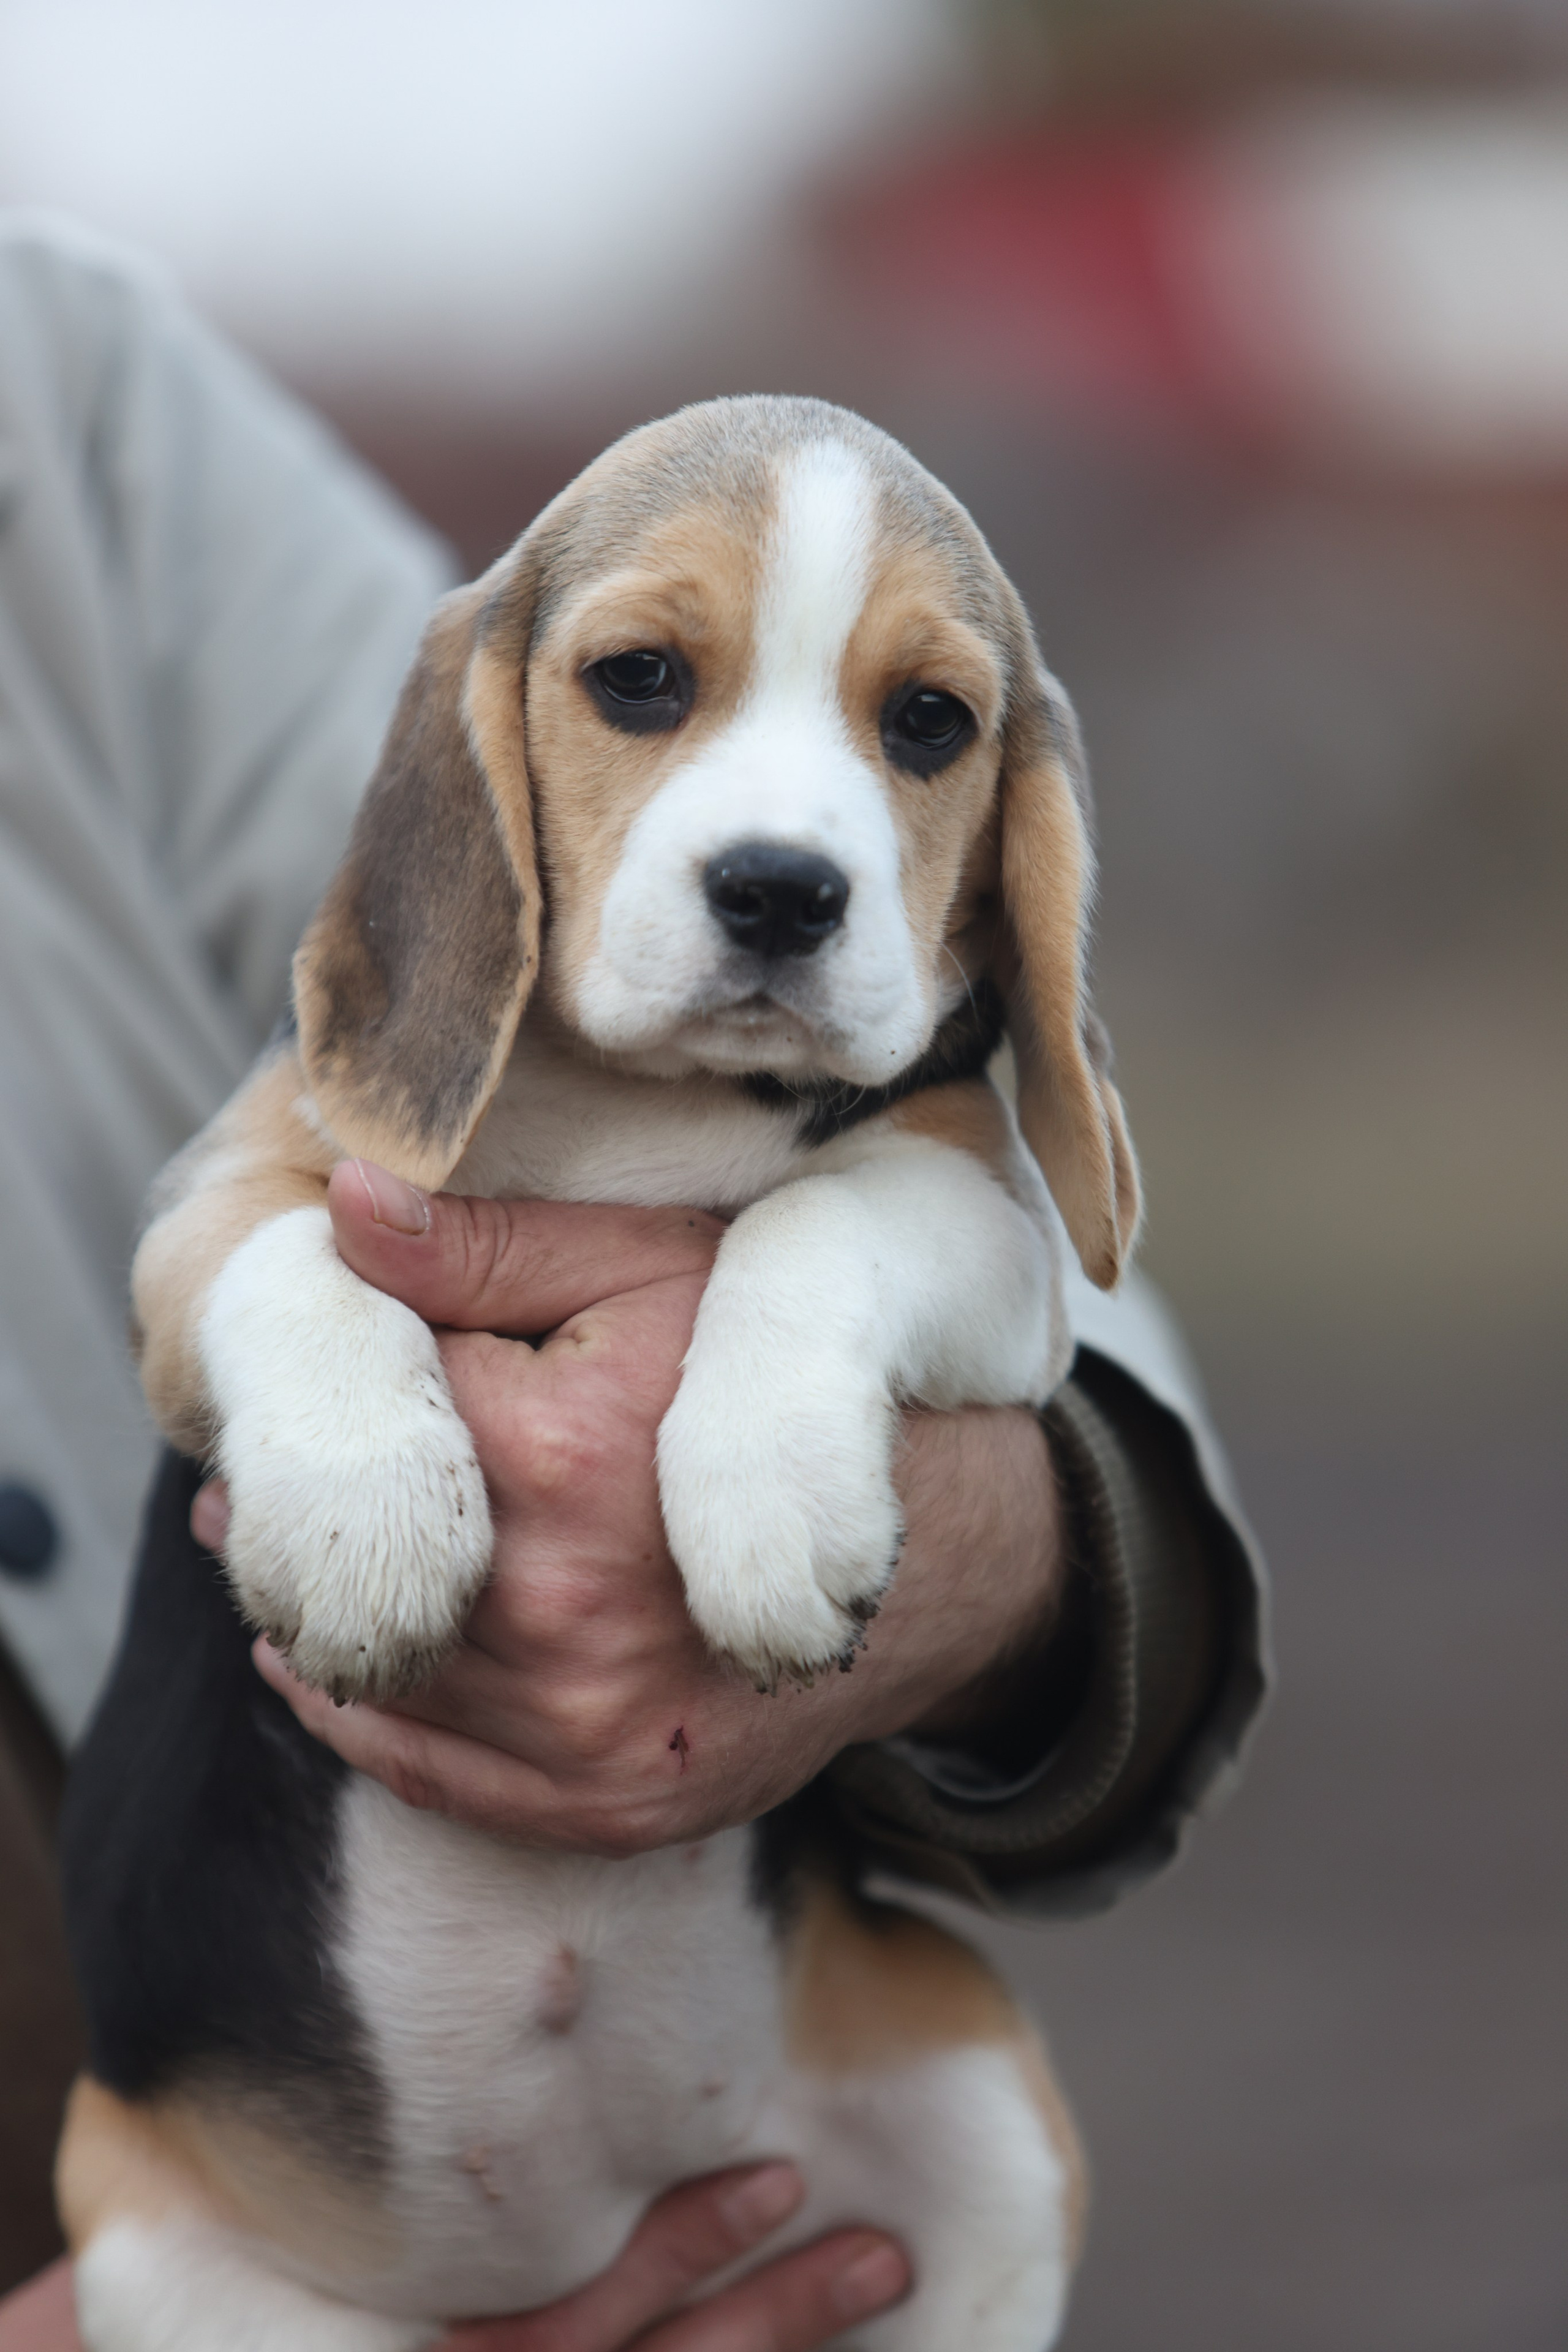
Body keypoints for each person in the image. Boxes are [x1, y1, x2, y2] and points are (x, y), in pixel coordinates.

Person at [0, 216, 1266, 2348]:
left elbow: (1042, 1290)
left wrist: (982, 1506)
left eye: (920, 723)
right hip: (233, 2225)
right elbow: (231, 1243)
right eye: (648, 684)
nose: (787, 834)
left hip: (766, 2135)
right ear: (507, 748)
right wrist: (327, 1376)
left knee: (972, 2148)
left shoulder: (64, 401)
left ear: (1007, 841)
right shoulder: (413, 993)